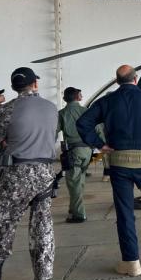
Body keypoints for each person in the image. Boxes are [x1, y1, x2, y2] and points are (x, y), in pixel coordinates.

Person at [76, 65, 141, 277]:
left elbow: (83, 122)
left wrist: (100, 145)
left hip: (119, 165)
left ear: (117, 82)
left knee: (125, 214)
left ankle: (131, 262)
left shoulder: (106, 101)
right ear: (136, 79)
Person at [0, 67, 58, 280]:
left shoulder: (6, 110)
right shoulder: (51, 108)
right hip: (45, 174)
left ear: (13, 87)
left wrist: (1, 151)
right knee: (42, 226)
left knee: (3, 222)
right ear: (35, 84)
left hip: (16, 174)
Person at [57, 87, 93, 223]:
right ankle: (73, 208)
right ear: (78, 97)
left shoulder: (62, 113)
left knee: (74, 182)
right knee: (79, 181)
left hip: (73, 151)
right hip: (87, 151)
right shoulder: (87, 112)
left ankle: (79, 214)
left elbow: (53, 132)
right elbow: (98, 129)